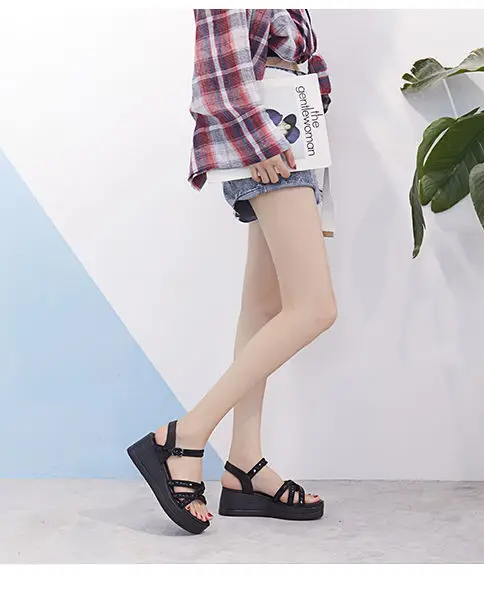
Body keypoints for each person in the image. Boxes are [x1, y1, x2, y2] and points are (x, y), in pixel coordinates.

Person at [127, 8, 336, 534]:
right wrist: (258, 140)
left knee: (265, 307)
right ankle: (184, 436)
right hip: (266, 139)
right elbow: (216, 60)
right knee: (314, 309)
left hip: (290, 132)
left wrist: (313, 108)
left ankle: (244, 464)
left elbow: (295, 54)